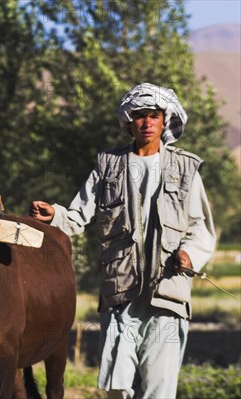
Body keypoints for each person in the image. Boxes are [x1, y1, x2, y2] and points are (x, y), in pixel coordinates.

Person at [29, 82, 216, 399]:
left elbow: (201, 227)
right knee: (117, 385)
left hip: (168, 291)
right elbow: (78, 215)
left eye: (153, 115)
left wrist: (189, 255)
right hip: (120, 291)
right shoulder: (108, 165)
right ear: (129, 121)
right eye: (140, 115)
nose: (146, 122)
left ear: (164, 120)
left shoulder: (186, 168)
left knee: (159, 386)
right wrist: (54, 216)